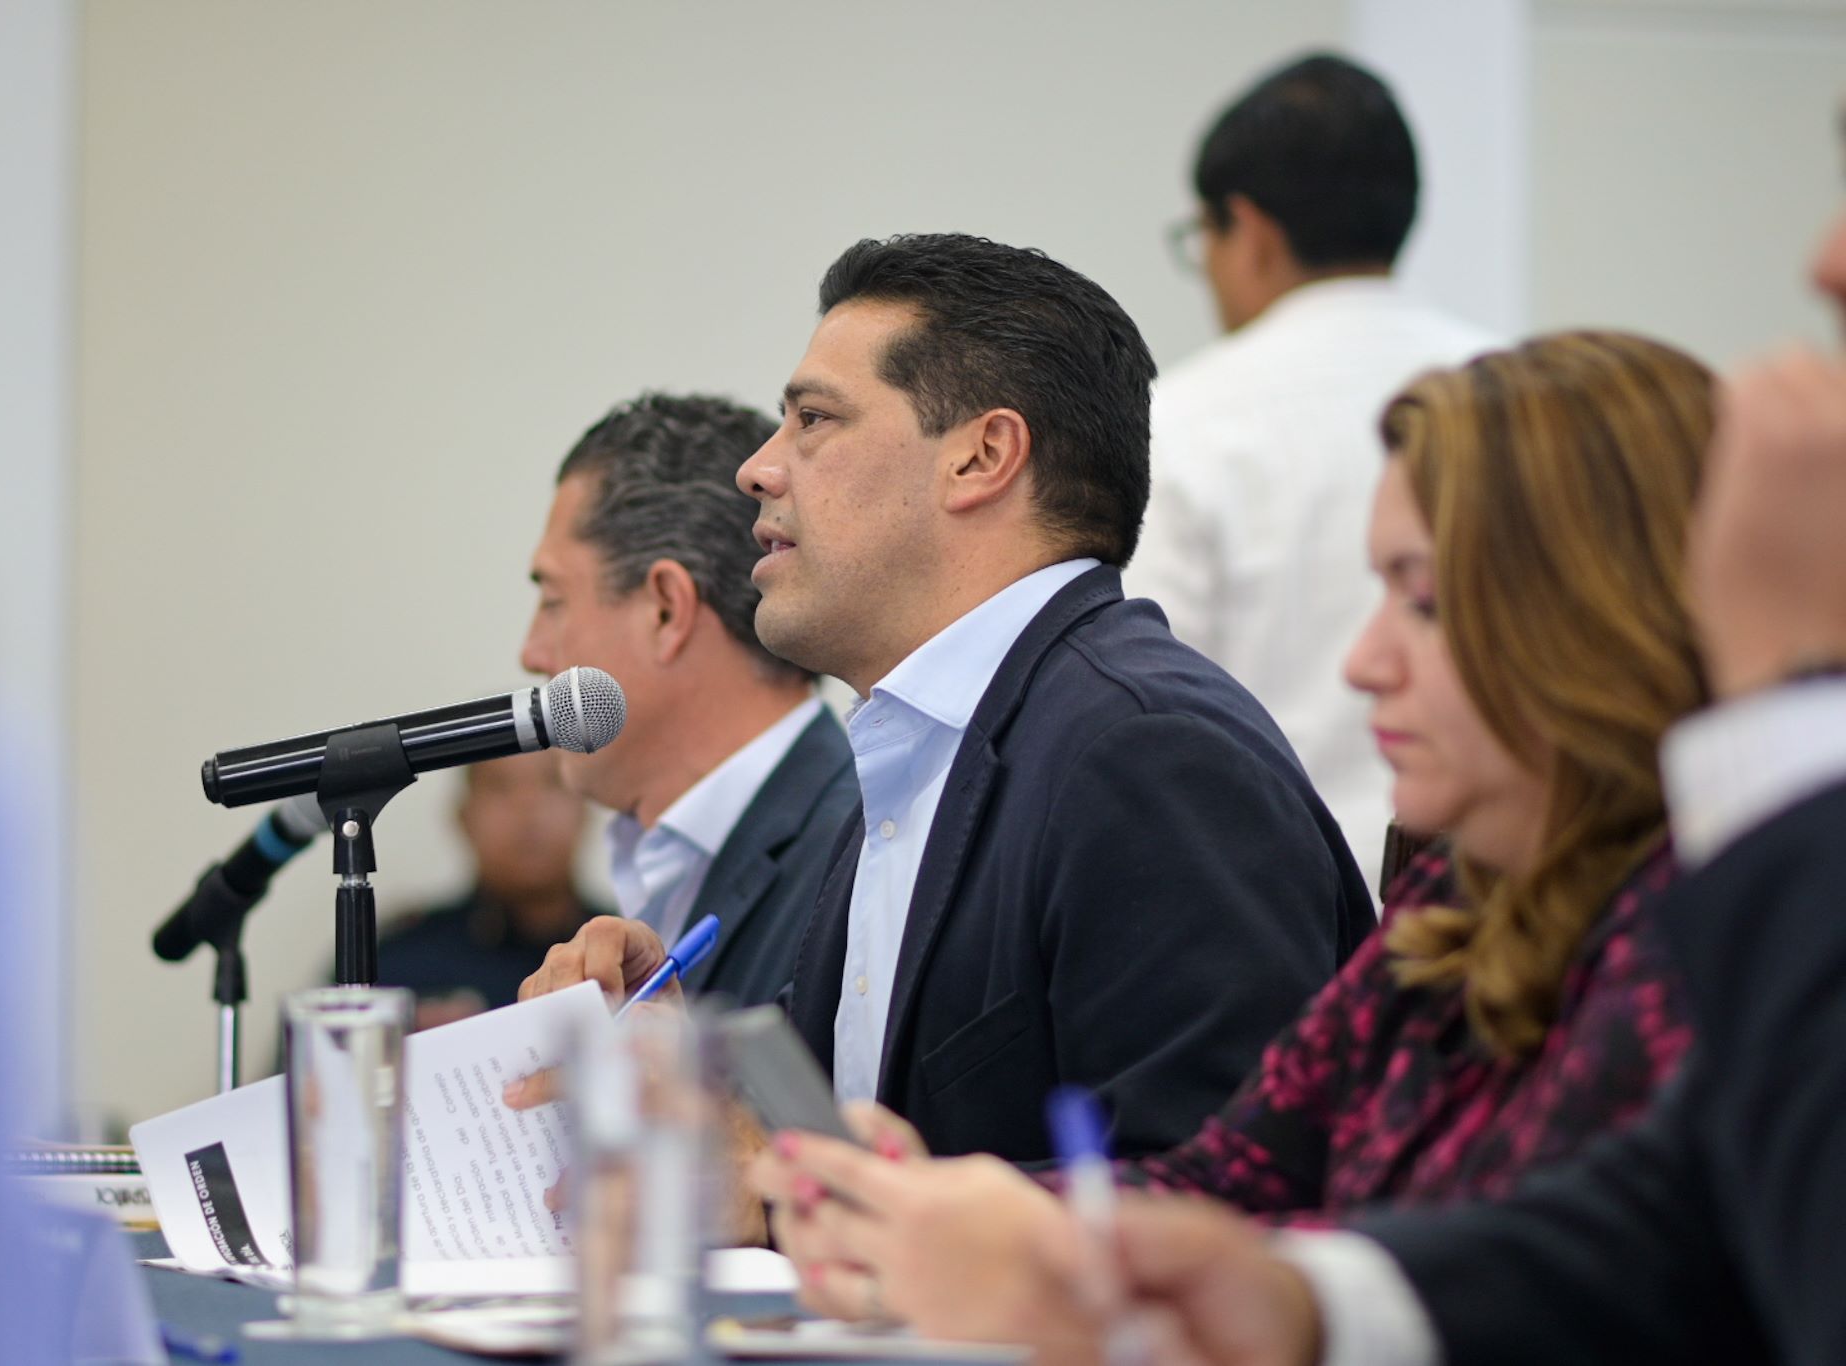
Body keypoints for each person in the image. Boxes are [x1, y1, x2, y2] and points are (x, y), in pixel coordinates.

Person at [793, 175, 1846, 1366]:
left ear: (1593, 621)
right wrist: (957, 1212)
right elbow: (1236, 1177)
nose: (1363, 663)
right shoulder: (1455, 906)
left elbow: (1666, 1274)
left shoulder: (1703, 916)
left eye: (1424, 600)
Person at [522, 235, 1375, 1170]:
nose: (758, 470)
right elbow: (872, 1129)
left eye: (814, 420)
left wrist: (789, 1193)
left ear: (982, 457)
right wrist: (690, 1077)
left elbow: (1231, 1200)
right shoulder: (925, 747)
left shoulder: (1149, 752)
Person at [1129, 53, 1497, 883]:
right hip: (1500, 891)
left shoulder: (1178, 423)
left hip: (1266, 899)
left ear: (1248, 230)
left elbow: (1152, 712)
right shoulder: (1523, 395)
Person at [517, 392, 859, 1007]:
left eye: (554, 601)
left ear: (665, 610)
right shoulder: (664, 853)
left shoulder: (857, 857)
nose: (532, 652)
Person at [365, 753, 597, 1030]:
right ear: (463, 818)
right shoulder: (396, 970)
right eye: (501, 786)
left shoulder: (623, 956)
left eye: (552, 782)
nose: (528, 806)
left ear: (586, 810)